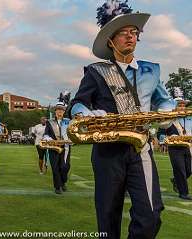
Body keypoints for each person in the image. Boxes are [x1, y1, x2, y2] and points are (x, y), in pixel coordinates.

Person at [70, 1, 176, 238]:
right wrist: (86, 114)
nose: (130, 37)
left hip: (142, 149)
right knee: (108, 217)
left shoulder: (151, 70)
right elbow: (77, 103)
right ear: (110, 40)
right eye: (123, 33)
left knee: (150, 214)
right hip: (108, 151)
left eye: (134, 33)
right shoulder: (96, 71)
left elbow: (164, 100)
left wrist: (165, 114)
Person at [43, 94, 71, 194]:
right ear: (55, 111)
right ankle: (57, 187)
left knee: (65, 167)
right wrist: (50, 139)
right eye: (58, 109)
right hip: (53, 147)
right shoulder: (49, 122)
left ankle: (63, 182)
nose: (60, 111)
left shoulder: (68, 122)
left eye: (62, 110)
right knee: (55, 168)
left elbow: (72, 132)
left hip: (66, 147)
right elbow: (46, 134)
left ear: (64, 111)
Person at [166, 98, 192, 200]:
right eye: (179, 105)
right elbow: (161, 133)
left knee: (189, 170)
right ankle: (184, 193)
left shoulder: (188, 118)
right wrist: (167, 137)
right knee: (180, 170)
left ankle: (176, 181)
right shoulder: (168, 119)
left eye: (183, 105)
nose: (182, 107)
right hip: (175, 148)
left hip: (186, 146)